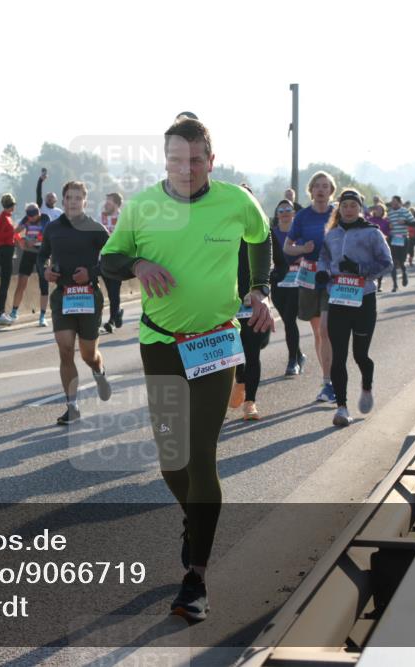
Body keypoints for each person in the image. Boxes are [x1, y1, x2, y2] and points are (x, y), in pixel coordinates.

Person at [100, 116, 274, 623]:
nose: (186, 169)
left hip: (217, 341)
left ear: (211, 162)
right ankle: (194, 521)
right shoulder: (142, 206)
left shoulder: (236, 202)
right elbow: (109, 258)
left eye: (196, 160)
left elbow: (261, 239)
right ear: (166, 160)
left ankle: (195, 577)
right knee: (172, 461)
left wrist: (259, 289)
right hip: (161, 344)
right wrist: (137, 266)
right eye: (177, 160)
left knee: (200, 454)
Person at [37, 181, 112, 425]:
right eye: (69, 197)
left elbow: (113, 258)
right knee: (66, 348)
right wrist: (45, 272)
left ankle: (98, 371)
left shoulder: (96, 229)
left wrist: (91, 273)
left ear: (85, 202)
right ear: (63, 199)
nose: (73, 201)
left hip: (89, 295)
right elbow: (41, 256)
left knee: (88, 354)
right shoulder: (53, 229)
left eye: (78, 197)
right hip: (63, 296)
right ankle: (72, 407)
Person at [317, 188, 392, 427]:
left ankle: (367, 387)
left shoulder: (372, 234)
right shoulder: (331, 235)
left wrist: (360, 269)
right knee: (338, 356)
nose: (349, 210)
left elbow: (387, 263)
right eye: (345, 205)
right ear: (339, 208)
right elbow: (324, 258)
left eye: (353, 205)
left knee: (360, 355)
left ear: (360, 208)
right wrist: (322, 273)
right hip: (338, 298)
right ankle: (341, 407)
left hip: (364, 300)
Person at [286, 171, 337, 402]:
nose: (320, 190)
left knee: (326, 329)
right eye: (317, 185)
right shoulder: (303, 216)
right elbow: (288, 247)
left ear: (331, 190)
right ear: (311, 190)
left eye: (325, 186)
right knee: (318, 332)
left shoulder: (338, 213)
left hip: (331, 276)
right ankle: (328, 377)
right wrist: (302, 250)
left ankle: (329, 382)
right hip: (308, 276)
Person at [229, 184, 273, 420]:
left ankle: (250, 402)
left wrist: (262, 291)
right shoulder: (220, 231)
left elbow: (271, 265)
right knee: (234, 354)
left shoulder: (263, 229)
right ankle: (239, 380)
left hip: (253, 301)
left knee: (253, 352)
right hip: (226, 303)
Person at [269, 198, 306, 375]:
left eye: (288, 209)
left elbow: (311, 251)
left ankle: (293, 361)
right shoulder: (270, 233)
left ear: (294, 213)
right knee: (286, 320)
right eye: (281, 210)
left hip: (297, 280)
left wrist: (303, 256)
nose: (284, 213)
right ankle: (299, 354)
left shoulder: (300, 233)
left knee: (290, 319)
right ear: (277, 215)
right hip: (277, 281)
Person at [9, 203, 51, 326]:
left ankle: (42, 316)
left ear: (38, 212)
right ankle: (14, 312)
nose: (32, 218)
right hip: (28, 253)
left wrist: (36, 240)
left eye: (34, 216)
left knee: (43, 284)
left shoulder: (45, 218)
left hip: (42, 253)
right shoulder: (26, 219)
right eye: (30, 216)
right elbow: (16, 231)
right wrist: (20, 240)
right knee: (21, 282)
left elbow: (46, 232)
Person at [0, 193, 19, 324]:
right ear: (11, 205)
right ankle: (0, 313)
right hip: (6, 251)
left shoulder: (4, 217)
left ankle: (1, 312)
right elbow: (2, 233)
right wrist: (14, 232)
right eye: (13, 205)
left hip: (4, 250)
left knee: (5, 283)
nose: (14, 207)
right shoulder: (5, 218)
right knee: (4, 283)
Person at [100, 192, 125, 333]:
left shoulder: (123, 218)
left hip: (117, 259)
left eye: (108, 202)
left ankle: (111, 321)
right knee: (109, 292)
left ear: (116, 204)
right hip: (102, 259)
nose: (105, 204)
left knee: (114, 291)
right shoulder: (101, 216)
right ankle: (117, 313)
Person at [386, 195, 415, 291]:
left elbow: (414, 223)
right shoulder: (389, 213)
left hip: (403, 238)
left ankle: (404, 272)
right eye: (392, 202)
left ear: (399, 202)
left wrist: (405, 222)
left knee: (401, 261)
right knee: (393, 261)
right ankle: (395, 285)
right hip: (393, 239)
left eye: (395, 201)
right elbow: (386, 224)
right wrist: (388, 225)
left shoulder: (405, 211)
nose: (393, 203)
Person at [367, 202, 391, 292]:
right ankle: (371, 281)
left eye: (380, 209)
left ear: (383, 211)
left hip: (381, 245)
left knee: (380, 264)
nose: (378, 211)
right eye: (377, 209)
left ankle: (379, 284)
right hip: (370, 244)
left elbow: (389, 232)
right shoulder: (369, 220)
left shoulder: (386, 221)